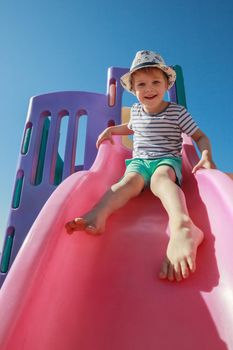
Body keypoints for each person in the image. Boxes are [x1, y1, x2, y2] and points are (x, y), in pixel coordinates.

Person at [65, 50, 216, 282]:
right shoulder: (136, 111)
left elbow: (200, 137)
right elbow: (130, 126)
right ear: (133, 89)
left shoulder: (177, 112)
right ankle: (99, 213)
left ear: (166, 84)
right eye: (141, 84)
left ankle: (184, 226)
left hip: (166, 159)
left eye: (156, 82)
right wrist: (111, 130)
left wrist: (205, 156)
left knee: (160, 180)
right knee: (126, 182)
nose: (149, 88)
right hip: (138, 162)